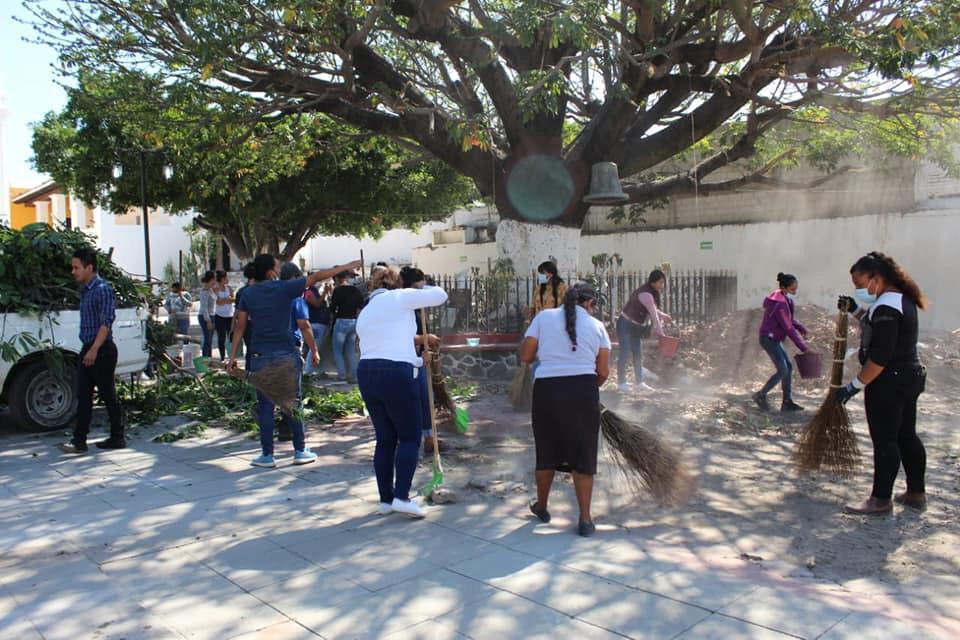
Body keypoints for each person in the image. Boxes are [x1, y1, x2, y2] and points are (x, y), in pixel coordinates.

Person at [229, 255, 362, 468]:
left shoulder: (248, 293)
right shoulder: (285, 289)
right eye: (277, 265)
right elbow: (316, 278)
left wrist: (232, 357)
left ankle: (267, 455)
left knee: (265, 406)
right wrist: (346, 266)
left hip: (259, 356)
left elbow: (240, 326)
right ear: (271, 271)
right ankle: (300, 450)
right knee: (293, 403)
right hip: (286, 355)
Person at [835, 252, 928, 515]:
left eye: (861, 284)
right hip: (909, 376)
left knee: (885, 440)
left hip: (889, 382)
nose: (860, 289)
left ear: (876, 278)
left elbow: (880, 357)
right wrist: (854, 309)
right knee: (906, 434)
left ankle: (880, 499)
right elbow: (874, 324)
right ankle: (916, 493)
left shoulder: (887, 305)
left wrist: (854, 386)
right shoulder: (899, 299)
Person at [356, 266, 448, 518]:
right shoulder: (399, 297)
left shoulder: (366, 310)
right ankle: (401, 496)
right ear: (398, 284)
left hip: (367, 372)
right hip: (396, 374)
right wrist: (420, 288)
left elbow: (386, 347)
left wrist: (419, 362)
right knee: (409, 437)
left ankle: (385, 500)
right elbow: (440, 295)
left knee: (385, 439)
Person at [519, 283, 611, 537]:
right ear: (590, 304)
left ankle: (542, 506)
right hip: (583, 391)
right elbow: (602, 372)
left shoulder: (544, 317)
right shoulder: (598, 327)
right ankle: (585, 519)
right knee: (583, 455)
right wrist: (586, 392)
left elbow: (525, 356)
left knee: (546, 450)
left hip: (547, 392)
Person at [58, 247, 125, 453]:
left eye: (77, 268)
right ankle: (79, 442)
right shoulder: (85, 290)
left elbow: (106, 323)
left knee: (108, 395)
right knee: (83, 395)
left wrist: (94, 349)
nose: (73, 272)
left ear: (89, 267)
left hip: (101, 349)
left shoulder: (102, 289)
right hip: (89, 347)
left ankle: (117, 437)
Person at [400, 266, 447, 455]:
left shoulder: (413, 305)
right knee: (420, 399)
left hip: (418, 357)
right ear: (417, 283)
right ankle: (422, 440)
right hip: (410, 360)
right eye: (423, 283)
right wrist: (425, 340)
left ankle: (428, 438)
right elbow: (404, 335)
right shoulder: (406, 306)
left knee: (425, 399)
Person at [753, 272, 809, 413]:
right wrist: (803, 348)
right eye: (792, 289)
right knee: (783, 369)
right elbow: (788, 328)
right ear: (784, 288)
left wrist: (801, 328)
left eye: (796, 288)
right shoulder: (779, 303)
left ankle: (787, 402)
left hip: (774, 338)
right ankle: (760, 395)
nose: (795, 291)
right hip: (768, 339)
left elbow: (789, 320)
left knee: (788, 368)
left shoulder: (784, 299)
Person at [277, 262, 320, 442]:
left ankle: (280, 426)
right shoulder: (296, 298)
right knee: (293, 394)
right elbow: (304, 325)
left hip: (268, 349)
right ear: (295, 278)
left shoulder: (269, 294)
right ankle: (296, 438)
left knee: (276, 390)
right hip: (289, 348)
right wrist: (315, 350)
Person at [616, 269, 671, 393]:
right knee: (624, 353)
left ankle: (640, 382)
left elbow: (653, 309)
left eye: (663, 283)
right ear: (653, 281)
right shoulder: (646, 294)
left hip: (636, 326)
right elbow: (653, 314)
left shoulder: (651, 293)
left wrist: (663, 315)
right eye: (660, 282)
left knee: (638, 354)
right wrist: (661, 333)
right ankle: (621, 383)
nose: (662, 285)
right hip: (625, 324)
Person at [329, 270, 364, 383]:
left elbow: (332, 308)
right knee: (351, 351)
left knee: (337, 350)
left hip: (341, 321)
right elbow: (360, 306)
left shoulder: (338, 290)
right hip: (353, 321)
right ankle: (354, 376)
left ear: (338, 279)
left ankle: (342, 375)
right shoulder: (355, 290)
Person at [303, 275, 333, 376]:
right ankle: (308, 371)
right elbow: (317, 304)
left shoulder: (313, 291)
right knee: (314, 348)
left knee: (318, 348)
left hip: (318, 323)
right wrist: (324, 292)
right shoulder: (308, 291)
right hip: (316, 323)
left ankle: (318, 370)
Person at [213, 270, 235, 361]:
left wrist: (226, 300)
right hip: (219, 316)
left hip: (230, 315)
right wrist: (227, 300)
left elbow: (233, 299)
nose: (227, 279)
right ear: (222, 279)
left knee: (231, 336)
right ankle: (222, 356)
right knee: (221, 337)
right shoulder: (215, 289)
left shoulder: (229, 288)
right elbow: (218, 302)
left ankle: (232, 355)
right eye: (226, 277)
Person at [198, 271, 217, 358]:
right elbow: (204, 308)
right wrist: (208, 320)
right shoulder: (204, 291)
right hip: (205, 316)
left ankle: (209, 358)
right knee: (207, 339)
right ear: (211, 279)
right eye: (214, 279)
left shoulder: (210, 290)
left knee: (210, 340)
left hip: (212, 315)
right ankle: (205, 358)